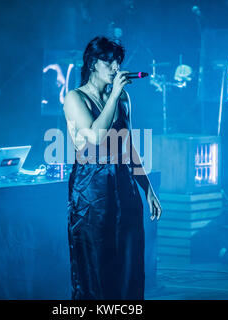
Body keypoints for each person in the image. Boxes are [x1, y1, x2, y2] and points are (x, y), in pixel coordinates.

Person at [63, 36, 162, 300]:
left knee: (128, 265)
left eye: (118, 61)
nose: (116, 67)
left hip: (123, 187)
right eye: (109, 62)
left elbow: (127, 145)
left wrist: (147, 188)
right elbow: (95, 136)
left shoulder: (123, 98)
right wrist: (114, 96)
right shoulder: (75, 98)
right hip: (91, 193)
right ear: (94, 63)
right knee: (96, 267)